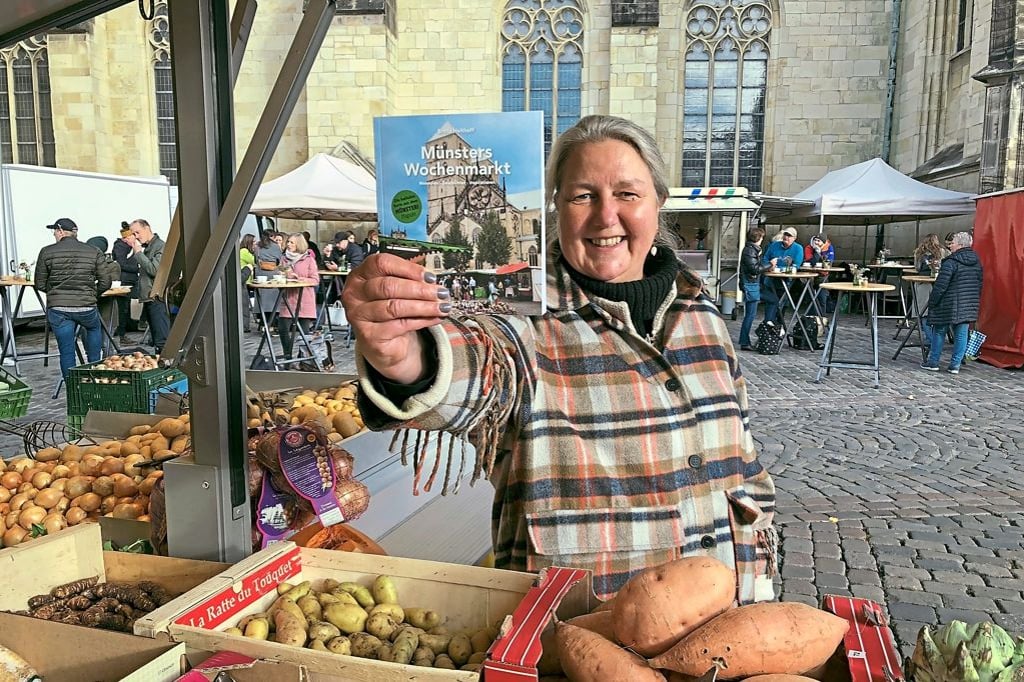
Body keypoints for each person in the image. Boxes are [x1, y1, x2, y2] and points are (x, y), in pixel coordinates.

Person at [341, 114, 777, 603]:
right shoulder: (521, 321)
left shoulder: (702, 313)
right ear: (557, 210)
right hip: (579, 642)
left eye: (627, 194)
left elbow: (742, 456)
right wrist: (400, 354)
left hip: (727, 630)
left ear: (658, 203)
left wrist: (757, 580)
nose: (604, 216)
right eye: (582, 196)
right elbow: (476, 370)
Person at [34, 218, 111, 379]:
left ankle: (73, 390)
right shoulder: (93, 251)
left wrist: (56, 293)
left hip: (59, 309)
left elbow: (40, 283)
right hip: (87, 307)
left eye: (54, 231)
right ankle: (95, 375)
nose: (54, 234)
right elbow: (106, 281)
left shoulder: (46, 251)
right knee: (93, 329)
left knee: (66, 351)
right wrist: (92, 294)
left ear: (61, 231)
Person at [922, 231, 983, 375]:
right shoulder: (977, 261)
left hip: (948, 303)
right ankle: (955, 365)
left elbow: (941, 286)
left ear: (960, 245)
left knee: (939, 331)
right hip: (968, 303)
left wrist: (933, 302)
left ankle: (933, 362)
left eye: (953, 243)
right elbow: (979, 284)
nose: (950, 246)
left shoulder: (951, 262)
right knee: (961, 334)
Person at [129, 218, 171, 354]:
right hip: (149, 297)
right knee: (156, 339)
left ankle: (165, 370)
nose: (136, 236)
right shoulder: (149, 247)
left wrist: (138, 253)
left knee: (161, 340)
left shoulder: (160, 246)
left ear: (147, 228)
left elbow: (154, 270)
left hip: (156, 297)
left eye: (137, 232)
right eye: (133, 234)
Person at [277, 233, 319, 361]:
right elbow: (280, 272)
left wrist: (299, 279)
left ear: (299, 245)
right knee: (283, 328)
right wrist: (282, 275)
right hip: (288, 298)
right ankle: (288, 356)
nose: (288, 244)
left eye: (292, 242)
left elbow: (315, 280)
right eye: (288, 242)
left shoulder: (308, 259)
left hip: (304, 299)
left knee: (303, 333)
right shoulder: (284, 259)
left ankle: (302, 359)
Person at [738, 226, 778, 350]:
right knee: (750, 314)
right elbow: (754, 268)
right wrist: (770, 265)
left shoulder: (752, 249)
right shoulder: (750, 250)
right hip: (751, 285)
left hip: (753, 284)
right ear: (758, 238)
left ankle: (766, 327)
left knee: (772, 300)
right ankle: (745, 341)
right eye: (762, 237)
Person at [759, 226, 803, 324]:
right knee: (770, 304)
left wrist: (780, 269)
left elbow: (796, 266)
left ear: (794, 238)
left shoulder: (798, 248)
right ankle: (768, 327)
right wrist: (769, 265)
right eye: (785, 234)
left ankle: (778, 327)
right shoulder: (774, 245)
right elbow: (765, 259)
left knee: (782, 304)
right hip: (770, 280)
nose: (786, 237)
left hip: (786, 282)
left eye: (789, 235)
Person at [112, 222, 140, 342]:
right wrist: (138, 268)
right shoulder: (121, 247)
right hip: (124, 281)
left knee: (126, 308)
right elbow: (121, 264)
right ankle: (122, 335)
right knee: (123, 308)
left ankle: (125, 331)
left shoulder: (128, 246)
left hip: (131, 280)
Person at [239, 234, 256, 332]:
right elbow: (254, 261)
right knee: (245, 303)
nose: (255, 244)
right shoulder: (244, 251)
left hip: (246, 279)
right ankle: (245, 326)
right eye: (254, 242)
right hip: (245, 279)